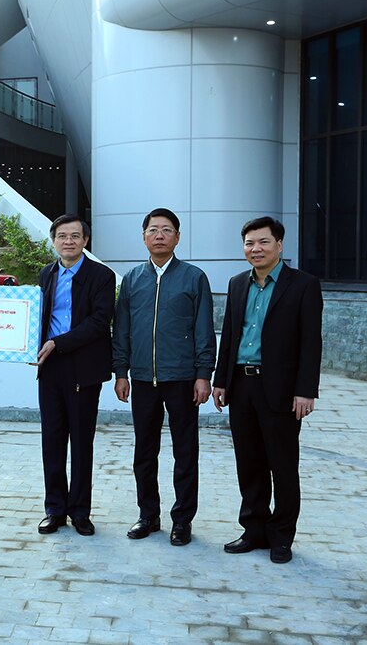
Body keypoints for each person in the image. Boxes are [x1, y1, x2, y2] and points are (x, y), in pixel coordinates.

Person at [213, 216, 323, 565]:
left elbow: (311, 343)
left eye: (263, 242)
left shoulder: (303, 285)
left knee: (283, 464)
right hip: (241, 384)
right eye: (249, 243)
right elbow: (229, 336)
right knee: (249, 463)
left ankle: (281, 537)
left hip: (281, 389)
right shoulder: (236, 284)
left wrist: (306, 391)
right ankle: (254, 530)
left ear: (279, 245)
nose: (255, 249)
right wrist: (220, 381)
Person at [111, 208, 216, 546]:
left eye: (167, 230)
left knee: (185, 451)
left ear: (177, 237)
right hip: (142, 379)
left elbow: (203, 329)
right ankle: (148, 515)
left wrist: (203, 374)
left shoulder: (193, 277)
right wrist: (121, 372)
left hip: (183, 378)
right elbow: (122, 329)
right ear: (144, 236)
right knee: (144, 451)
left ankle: (182, 520)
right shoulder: (132, 280)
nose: (159, 235)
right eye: (153, 229)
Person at [36, 214, 115, 536]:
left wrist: (57, 342)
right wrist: (31, 346)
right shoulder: (46, 274)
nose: (68, 241)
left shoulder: (101, 276)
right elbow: (36, 317)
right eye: (62, 236)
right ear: (53, 240)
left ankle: (80, 511)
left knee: (82, 442)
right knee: (52, 440)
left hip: (84, 368)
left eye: (75, 236)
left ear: (85, 241)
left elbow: (99, 322)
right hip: (51, 368)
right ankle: (54, 509)